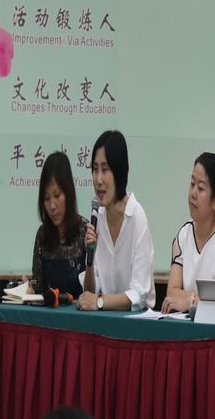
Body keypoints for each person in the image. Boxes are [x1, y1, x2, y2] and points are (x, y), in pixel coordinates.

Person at [77, 130, 156, 311]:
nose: (98, 179)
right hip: (104, 320)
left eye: (105, 170)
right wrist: (90, 259)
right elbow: (90, 293)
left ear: (119, 172)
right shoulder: (98, 216)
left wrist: (99, 302)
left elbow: (139, 295)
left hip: (136, 322)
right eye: (95, 169)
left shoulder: (136, 216)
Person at [161, 153, 215, 314]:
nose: (193, 193)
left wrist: (189, 301)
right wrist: (196, 300)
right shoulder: (183, 234)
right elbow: (172, 293)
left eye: (201, 188)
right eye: (192, 184)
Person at [29, 152, 87, 297]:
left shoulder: (85, 231)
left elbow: (94, 288)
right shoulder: (42, 235)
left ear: (68, 193)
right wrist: (30, 285)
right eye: (46, 198)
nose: (52, 206)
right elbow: (37, 281)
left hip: (79, 310)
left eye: (57, 195)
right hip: (48, 311)